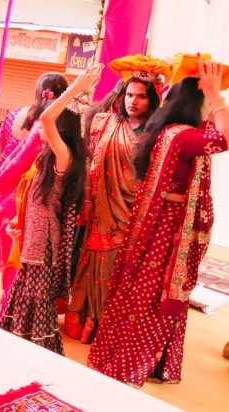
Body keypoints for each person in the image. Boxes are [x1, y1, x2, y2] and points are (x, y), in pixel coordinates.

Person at [88, 60, 229, 387]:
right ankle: (131, 364)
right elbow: (225, 139)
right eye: (207, 105)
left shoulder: (168, 131)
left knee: (146, 292)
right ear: (196, 103)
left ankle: (138, 361)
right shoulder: (184, 137)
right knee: (155, 297)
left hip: (158, 226)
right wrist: (214, 94)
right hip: (168, 230)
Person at [0, 68, 92, 355]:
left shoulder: (65, 156)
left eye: (49, 125)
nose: (41, 127)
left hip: (43, 246)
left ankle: (37, 354)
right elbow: (33, 197)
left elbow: (47, 117)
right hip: (32, 240)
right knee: (23, 294)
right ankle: (19, 347)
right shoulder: (49, 157)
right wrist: (19, 225)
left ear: (60, 128)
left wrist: (76, 87)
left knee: (37, 300)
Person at [65, 72, 161, 343]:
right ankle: (86, 318)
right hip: (102, 207)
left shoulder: (159, 133)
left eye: (141, 96)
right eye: (129, 95)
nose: (133, 101)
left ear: (152, 100)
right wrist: (86, 200)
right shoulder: (104, 123)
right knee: (94, 263)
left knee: (123, 270)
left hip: (136, 211)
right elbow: (89, 162)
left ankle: (110, 327)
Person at [0, 74, 68, 324]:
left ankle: (8, 310)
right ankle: (16, 313)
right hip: (36, 197)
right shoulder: (59, 122)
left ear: (36, 92)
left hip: (9, 195)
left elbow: (1, 154)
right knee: (26, 258)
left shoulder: (15, 116)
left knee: (13, 255)